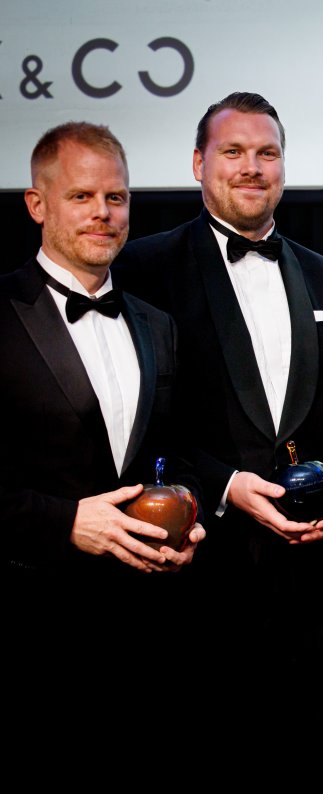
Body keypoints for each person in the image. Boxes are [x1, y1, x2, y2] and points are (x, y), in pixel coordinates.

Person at [114, 92, 323, 785]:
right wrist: (228, 485)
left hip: (308, 585)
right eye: (233, 152)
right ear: (199, 163)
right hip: (194, 579)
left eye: (267, 153)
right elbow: (140, 421)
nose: (252, 167)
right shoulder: (144, 267)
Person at [1, 122, 204, 784]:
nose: (102, 215)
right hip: (29, 634)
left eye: (115, 198)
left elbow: (170, 455)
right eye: (82, 197)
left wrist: (189, 515)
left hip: (145, 634)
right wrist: (65, 522)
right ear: (38, 204)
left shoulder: (156, 324)